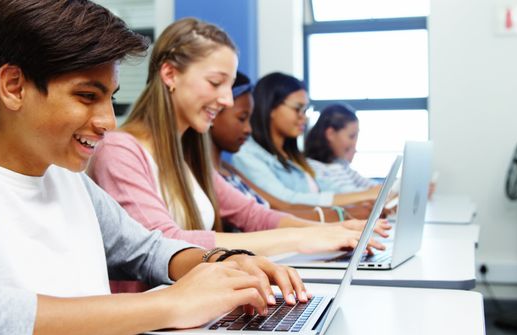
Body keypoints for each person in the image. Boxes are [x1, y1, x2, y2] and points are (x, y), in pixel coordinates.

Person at [0, 2, 312, 335]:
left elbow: (150, 249)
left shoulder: (72, 183)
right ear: (14, 86)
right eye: (87, 96)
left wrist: (220, 262)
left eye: (110, 99)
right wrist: (168, 305)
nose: (108, 121)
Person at [87, 18, 389, 260]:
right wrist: (306, 237)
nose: (227, 101)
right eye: (216, 83)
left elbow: (253, 215)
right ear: (169, 74)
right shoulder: (119, 150)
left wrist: (335, 229)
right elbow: (166, 243)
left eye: (229, 87)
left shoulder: (186, 153)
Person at [210, 72, 375, 221]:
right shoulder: (245, 157)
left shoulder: (294, 158)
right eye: (297, 109)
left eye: (305, 110)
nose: (303, 118)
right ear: (271, 108)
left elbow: (328, 189)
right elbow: (283, 204)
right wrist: (343, 213)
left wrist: (362, 201)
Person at [304, 103, 380, 193]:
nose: (354, 143)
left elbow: (373, 185)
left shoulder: (341, 165)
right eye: (351, 136)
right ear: (330, 134)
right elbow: (341, 194)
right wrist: (371, 193)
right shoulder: (312, 167)